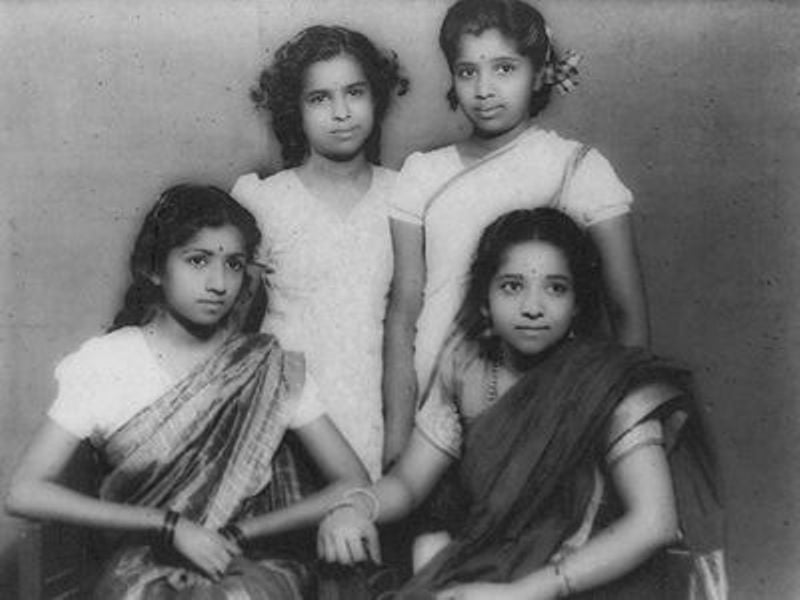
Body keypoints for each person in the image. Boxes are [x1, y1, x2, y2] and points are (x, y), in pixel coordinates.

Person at [318, 208, 726, 599]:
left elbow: (653, 524)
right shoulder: (467, 369)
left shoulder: (608, 383)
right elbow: (408, 485)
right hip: (493, 568)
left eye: (556, 288)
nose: (532, 307)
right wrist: (357, 507)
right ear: (484, 302)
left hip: (589, 576)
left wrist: (523, 593)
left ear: (578, 304)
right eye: (512, 286)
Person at [5, 185, 371, 598]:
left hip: (245, 561)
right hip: (137, 563)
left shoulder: (265, 366)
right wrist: (168, 525)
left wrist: (239, 531)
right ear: (156, 268)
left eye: (234, 265)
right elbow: (24, 492)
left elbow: (352, 481)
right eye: (198, 261)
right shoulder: (105, 362)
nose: (218, 283)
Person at [383, 0, 650, 464]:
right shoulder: (422, 173)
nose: (484, 89)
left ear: (540, 72)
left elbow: (627, 317)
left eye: (504, 68)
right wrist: (397, 441)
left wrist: (614, 435)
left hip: (541, 408)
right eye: (467, 72)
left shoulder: (579, 170)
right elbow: (404, 313)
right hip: (435, 409)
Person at [232, 25, 408, 479]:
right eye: (320, 99)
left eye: (355, 92)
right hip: (283, 408)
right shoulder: (265, 201)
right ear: (296, 109)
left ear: (377, 97)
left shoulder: (403, 196)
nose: (342, 112)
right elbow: (233, 324)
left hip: (370, 404)